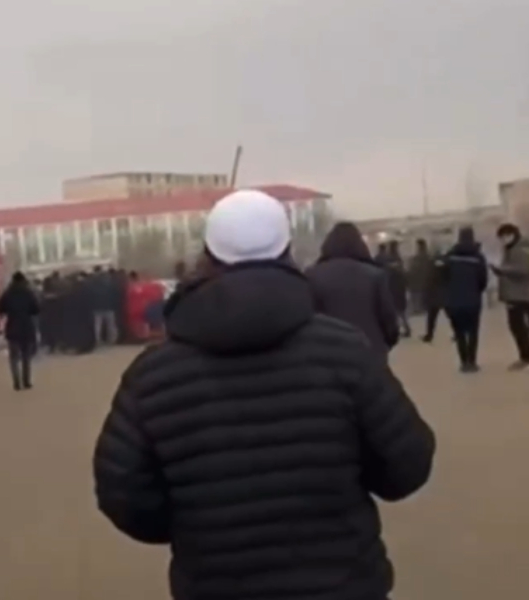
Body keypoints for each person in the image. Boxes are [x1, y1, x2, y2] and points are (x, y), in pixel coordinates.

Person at [93, 190, 435, 600]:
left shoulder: (153, 376)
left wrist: (193, 521)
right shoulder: (344, 350)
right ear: (287, 251)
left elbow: (122, 490)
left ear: (208, 255)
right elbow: (407, 465)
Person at [306, 222, 400, 355]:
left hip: (329, 355)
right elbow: (389, 321)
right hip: (369, 353)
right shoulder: (375, 275)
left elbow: (308, 320)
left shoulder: (312, 276)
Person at [439, 227, 489, 373]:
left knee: (459, 333)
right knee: (473, 332)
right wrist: (476, 291)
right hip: (473, 300)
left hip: (454, 301)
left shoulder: (450, 256)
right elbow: (483, 280)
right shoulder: (478, 257)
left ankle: (463, 362)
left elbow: (443, 277)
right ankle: (472, 362)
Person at [492, 223, 529, 370]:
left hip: (519, 294)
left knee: (519, 328)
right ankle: (524, 357)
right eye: (501, 238)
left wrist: (502, 270)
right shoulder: (511, 249)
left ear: (512, 235)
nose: (503, 240)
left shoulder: (520, 250)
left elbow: (524, 270)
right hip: (513, 294)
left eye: (504, 237)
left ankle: (528, 358)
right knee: (516, 328)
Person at [0, 272, 40, 391]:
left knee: (14, 357)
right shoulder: (28, 292)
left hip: (12, 327)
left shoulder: (8, 293)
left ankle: (16, 382)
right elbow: (36, 309)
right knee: (26, 356)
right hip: (27, 327)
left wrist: (8, 311)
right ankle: (26, 381)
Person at [89, 267, 118, 346]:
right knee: (111, 325)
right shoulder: (110, 285)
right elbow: (114, 296)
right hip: (109, 306)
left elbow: (91, 297)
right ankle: (112, 339)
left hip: (97, 307)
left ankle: (97, 340)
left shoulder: (93, 286)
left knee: (97, 325)